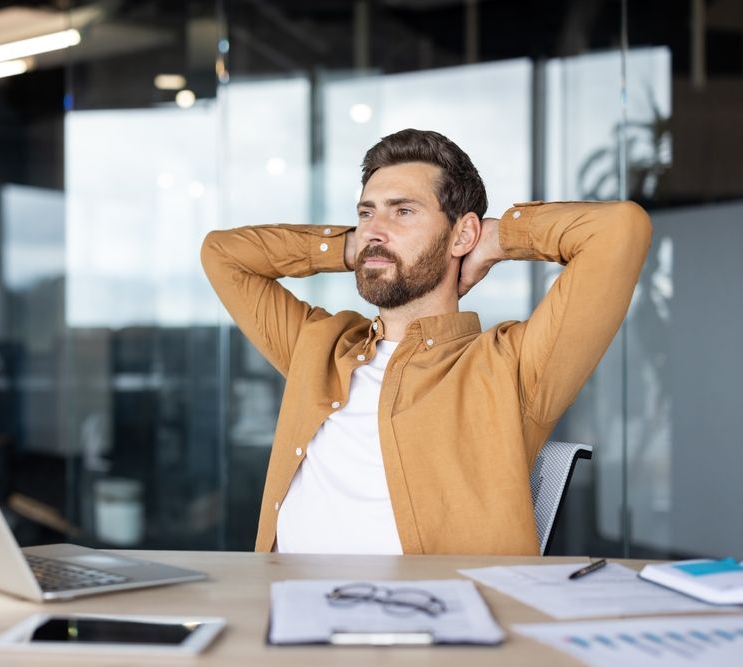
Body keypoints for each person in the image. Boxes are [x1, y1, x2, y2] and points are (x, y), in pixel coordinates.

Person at [201, 128, 651, 556]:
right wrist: (348, 248)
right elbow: (222, 254)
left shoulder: (510, 366)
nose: (373, 230)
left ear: (461, 234)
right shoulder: (320, 347)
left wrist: (496, 239)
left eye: (403, 212)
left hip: (432, 617)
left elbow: (618, 230)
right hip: (284, 609)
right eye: (366, 213)